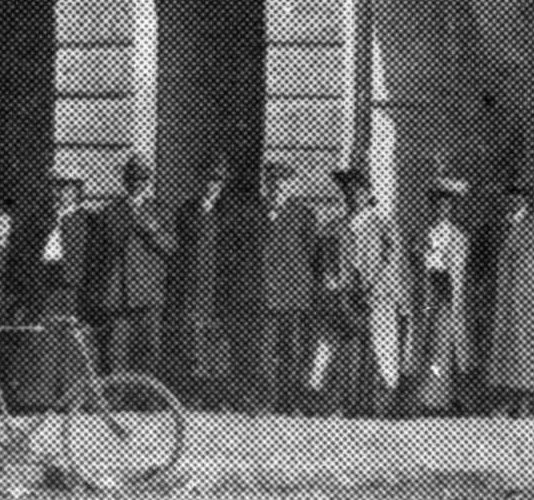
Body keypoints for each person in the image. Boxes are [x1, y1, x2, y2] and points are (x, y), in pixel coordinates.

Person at [331, 164, 406, 416]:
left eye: (358, 191)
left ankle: (375, 405)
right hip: (347, 297)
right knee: (348, 348)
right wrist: (337, 287)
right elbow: (330, 263)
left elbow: (392, 262)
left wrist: (374, 288)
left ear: (367, 194)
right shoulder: (336, 226)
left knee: (378, 350)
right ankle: (347, 402)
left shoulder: (384, 226)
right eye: (347, 191)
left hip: (377, 298)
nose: (352, 196)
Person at [245, 158, 319, 413]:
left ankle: (289, 402)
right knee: (263, 351)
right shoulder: (254, 212)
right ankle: (266, 400)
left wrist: (296, 280)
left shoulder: (304, 214)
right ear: (266, 185)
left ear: (292, 187)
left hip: (293, 294)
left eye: (283, 184)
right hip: (264, 293)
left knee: (292, 350)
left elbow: (310, 254)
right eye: (273, 183)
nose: (278, 189)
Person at [481, 178, 534, 417]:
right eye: (508, 197)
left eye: (518, 196)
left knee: (527, 349)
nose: (512, 201)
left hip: (528, 300)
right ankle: (507, 400)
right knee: (505, 348)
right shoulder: (496, 228)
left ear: (525, 200)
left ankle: (524, 401)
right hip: (503, 300)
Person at [90, 154, 172, 375]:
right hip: (118, 295)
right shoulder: (110, 211)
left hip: (149, 295)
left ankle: (147, 404)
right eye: (133, 179)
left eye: (143, 179)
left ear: (148, 182)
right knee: (117, 354)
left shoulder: (161, 210)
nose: (138, 184)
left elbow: (172, 248)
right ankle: (116, 404)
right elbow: (98, 256)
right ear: (125, 181)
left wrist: (153, 230)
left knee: (148, 353)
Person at [404, 177, 475, 414]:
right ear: (431, 207)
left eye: (446, 205)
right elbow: (413, 267)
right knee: (424, 346)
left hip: (448, 296)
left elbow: (460, 271)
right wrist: (421, 256)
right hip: (427, 295)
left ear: (451, 208)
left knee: (442, 347)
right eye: (437, 205)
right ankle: (425, 397)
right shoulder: (421, 234)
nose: (441, 209)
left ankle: (440, 398)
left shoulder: (459, 237)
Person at [173, 157, 236, 407]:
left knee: (218, 341)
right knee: (194, 340)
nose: (212, 185)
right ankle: (194, 396)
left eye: (217, 181)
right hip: (193, 285)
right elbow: (178, 250)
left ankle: (216, 396)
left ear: (222, 185)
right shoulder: (187, 210)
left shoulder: (229, 211)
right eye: (209, 180)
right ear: (200, 181)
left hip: (219, 287)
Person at [28, 171, 93, 404]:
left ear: (76, 192)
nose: (62, 193)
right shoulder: (45, 218)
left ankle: (73, 397)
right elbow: (35, 253)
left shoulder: (85, 219)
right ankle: (46, 397)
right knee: (48, 339)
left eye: (68, 188)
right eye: (59, 188)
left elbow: (92, 258)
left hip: (73, 289)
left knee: (73, 342)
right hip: (49, 286)